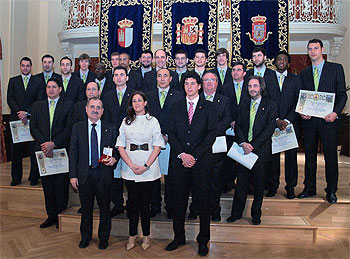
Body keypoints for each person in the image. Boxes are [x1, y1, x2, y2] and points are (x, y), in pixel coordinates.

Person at [166, 71, 217, 256]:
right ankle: (178, 237)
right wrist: (182, 154)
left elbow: (211, 134)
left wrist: (193, 155)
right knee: (178, 202)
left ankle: (203, 240)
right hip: (180, 163)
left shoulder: (209, 107)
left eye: (192, 83)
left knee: (203, 203)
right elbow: (171, 133)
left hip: (201, 162)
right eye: (186, 83)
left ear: (199, 85)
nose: (189, 86)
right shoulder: (175, 106)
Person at [298, 39, 347, 204]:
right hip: (310, 123)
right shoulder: (304, 73)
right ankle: (309, 187)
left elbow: (342, 95)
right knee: (309, 156)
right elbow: (302, 97)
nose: (313, 51)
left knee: (330, 157)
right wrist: (302, 111)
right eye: (310, 49)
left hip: (329, 121)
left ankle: (331, 190)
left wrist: (335, 112)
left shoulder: (335, 69)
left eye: (315, 48)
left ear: (322, 49)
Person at [116, 91, 165, 251]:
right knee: (132, 204)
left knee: (145, 205)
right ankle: (131, 236)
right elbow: (120, 146)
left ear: (145, 103)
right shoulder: (126, 121)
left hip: (148, 169)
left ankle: (146, 236)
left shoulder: (153, 121)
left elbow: (157, 147)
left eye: (139, 100)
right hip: (130, 167)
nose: (137, 103)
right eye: (134, 101)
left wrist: (145, 166)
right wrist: (130, 165)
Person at [227, 75, 277, 225]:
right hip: (243, 151)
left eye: (255, 86)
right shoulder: (243, 105)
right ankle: (235, 213)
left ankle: (256, 214)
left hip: (260, 152)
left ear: (261, 87)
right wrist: (243, 142)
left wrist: (252, 145)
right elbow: (239, 126)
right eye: (249, 86)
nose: (252, 89)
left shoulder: (271, 105)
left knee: (258, 185)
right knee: (241, 184)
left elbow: (269, 129)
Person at [69, 97, 118, 250]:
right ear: (86, 109)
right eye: (92, 107)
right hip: (84, 174)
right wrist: (72, 175)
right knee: (86, 209)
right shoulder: (77, 128)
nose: (95, 110)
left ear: (102, 111)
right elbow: (73, 152)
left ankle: (104, 238)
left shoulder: (111, 128)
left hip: (103, 174)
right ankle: (86, 237)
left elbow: (116, 148)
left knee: (105, 209)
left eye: (98, 107)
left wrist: (114, 158)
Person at [30, 77, 74, 228]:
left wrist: (53, 144)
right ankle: (51, 216)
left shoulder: (68, 105)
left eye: (54, 87)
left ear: (60, 89)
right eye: (49, 87)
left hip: (60, 150)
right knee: (47, 185)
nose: (51, 89)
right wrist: (45, 145)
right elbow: (33, 127)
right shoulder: (37, 106)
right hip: (43, 152)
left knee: (61, 185)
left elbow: (69, 128)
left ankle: (60, 215)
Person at [188, 71, 231, 222]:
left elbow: (226, 121)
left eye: (212, 80)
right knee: (196, 180)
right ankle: (195, 208)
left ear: (217, 83)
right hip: (198, 147)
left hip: (217, 146)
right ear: (201, 84)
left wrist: (209, 133)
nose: (209, 83)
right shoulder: (194, 100)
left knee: (215, 180)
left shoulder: (224, 100)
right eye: (206, 80)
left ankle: (214, 209)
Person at [146, 68, 183, 218]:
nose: (162, 79)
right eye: (159, 76)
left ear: (171, 79)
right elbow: (146, 116)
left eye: (165, 76)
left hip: (171, 140)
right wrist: (157, 135)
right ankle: (154, 205)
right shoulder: (148, 95)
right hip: (152, 141)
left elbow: (179, 118)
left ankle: (170, 205)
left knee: (171, 177)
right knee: (153, 174)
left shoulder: (179, 96)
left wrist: (167, 134)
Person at [265, 51, 301, 199]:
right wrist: (276, 119)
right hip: (273, 124)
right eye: (279, 59)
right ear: (274, 63)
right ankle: (273, 186)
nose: (281, 61)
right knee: (273, 158)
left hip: (290, 125)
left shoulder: (296, 79)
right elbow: (265, 101)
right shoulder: (267, 78)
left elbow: (298, 101)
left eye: (285, 59)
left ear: (289, 63)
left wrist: (287, 119)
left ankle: (290, 187)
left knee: (291, 159)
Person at [7, 57, 46, 186]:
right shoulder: (13, 81)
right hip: (16, 121)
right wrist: (19, 112)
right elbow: (10, 99)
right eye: (23, 65)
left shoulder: (38, 81)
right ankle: (16, 178)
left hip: (32, 120)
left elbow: (39, 100)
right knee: (16, 152)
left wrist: (27, 113)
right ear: (20, 66)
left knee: (33, 150)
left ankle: (33, 177)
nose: (25, 68)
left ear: (31, 67)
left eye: (28, 66)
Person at [103, 66, 134, 217]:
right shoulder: (107, 96)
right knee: (113, 175)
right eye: (116, 75)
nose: (119, 77)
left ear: (127, 77)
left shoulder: (134, 95)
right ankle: (117, 204)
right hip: (110, 140)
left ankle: (131, 204)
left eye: (122, 74)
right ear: (113, 78)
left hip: (130, 140)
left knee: (129, 174)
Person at [222, 61, 250, 193]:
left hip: (246, 128)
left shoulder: (250, 87)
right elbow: (223, 107)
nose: (235, 72)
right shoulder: (225, 87)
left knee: (245, 156)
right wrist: (231, 120)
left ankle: (246, 185)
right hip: (230, 127)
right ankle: (228, 183)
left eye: (239, 70)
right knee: (229, 158)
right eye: (233, 70)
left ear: (244, 73)